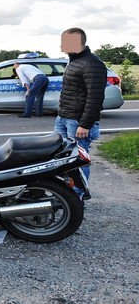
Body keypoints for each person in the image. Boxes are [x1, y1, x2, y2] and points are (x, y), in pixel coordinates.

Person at [54, 27, 106, 200]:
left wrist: (85, 124)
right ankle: (66, 193)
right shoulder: (75, 61)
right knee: (62, 158)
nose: (61, 44)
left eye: (65, 41)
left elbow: (95, 97)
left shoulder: (92, 63)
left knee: (78, 159)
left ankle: (77, 197)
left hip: (77, 121)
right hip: (64, 118)